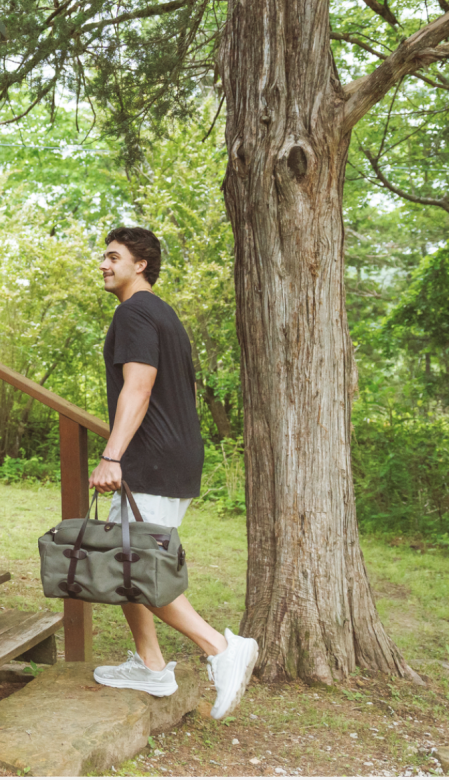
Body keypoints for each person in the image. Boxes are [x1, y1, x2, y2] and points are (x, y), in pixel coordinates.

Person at [89, 226, 258, 719]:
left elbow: (138, 389)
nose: (103, 263)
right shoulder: (159, 313)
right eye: (104, 255)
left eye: (113, 256)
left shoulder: (136, 312)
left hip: (153, 459)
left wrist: (112, 455)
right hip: (169, 456)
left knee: (136, 566)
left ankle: (222, 650)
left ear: (140, 264)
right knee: (128, 561)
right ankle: (150, 664)